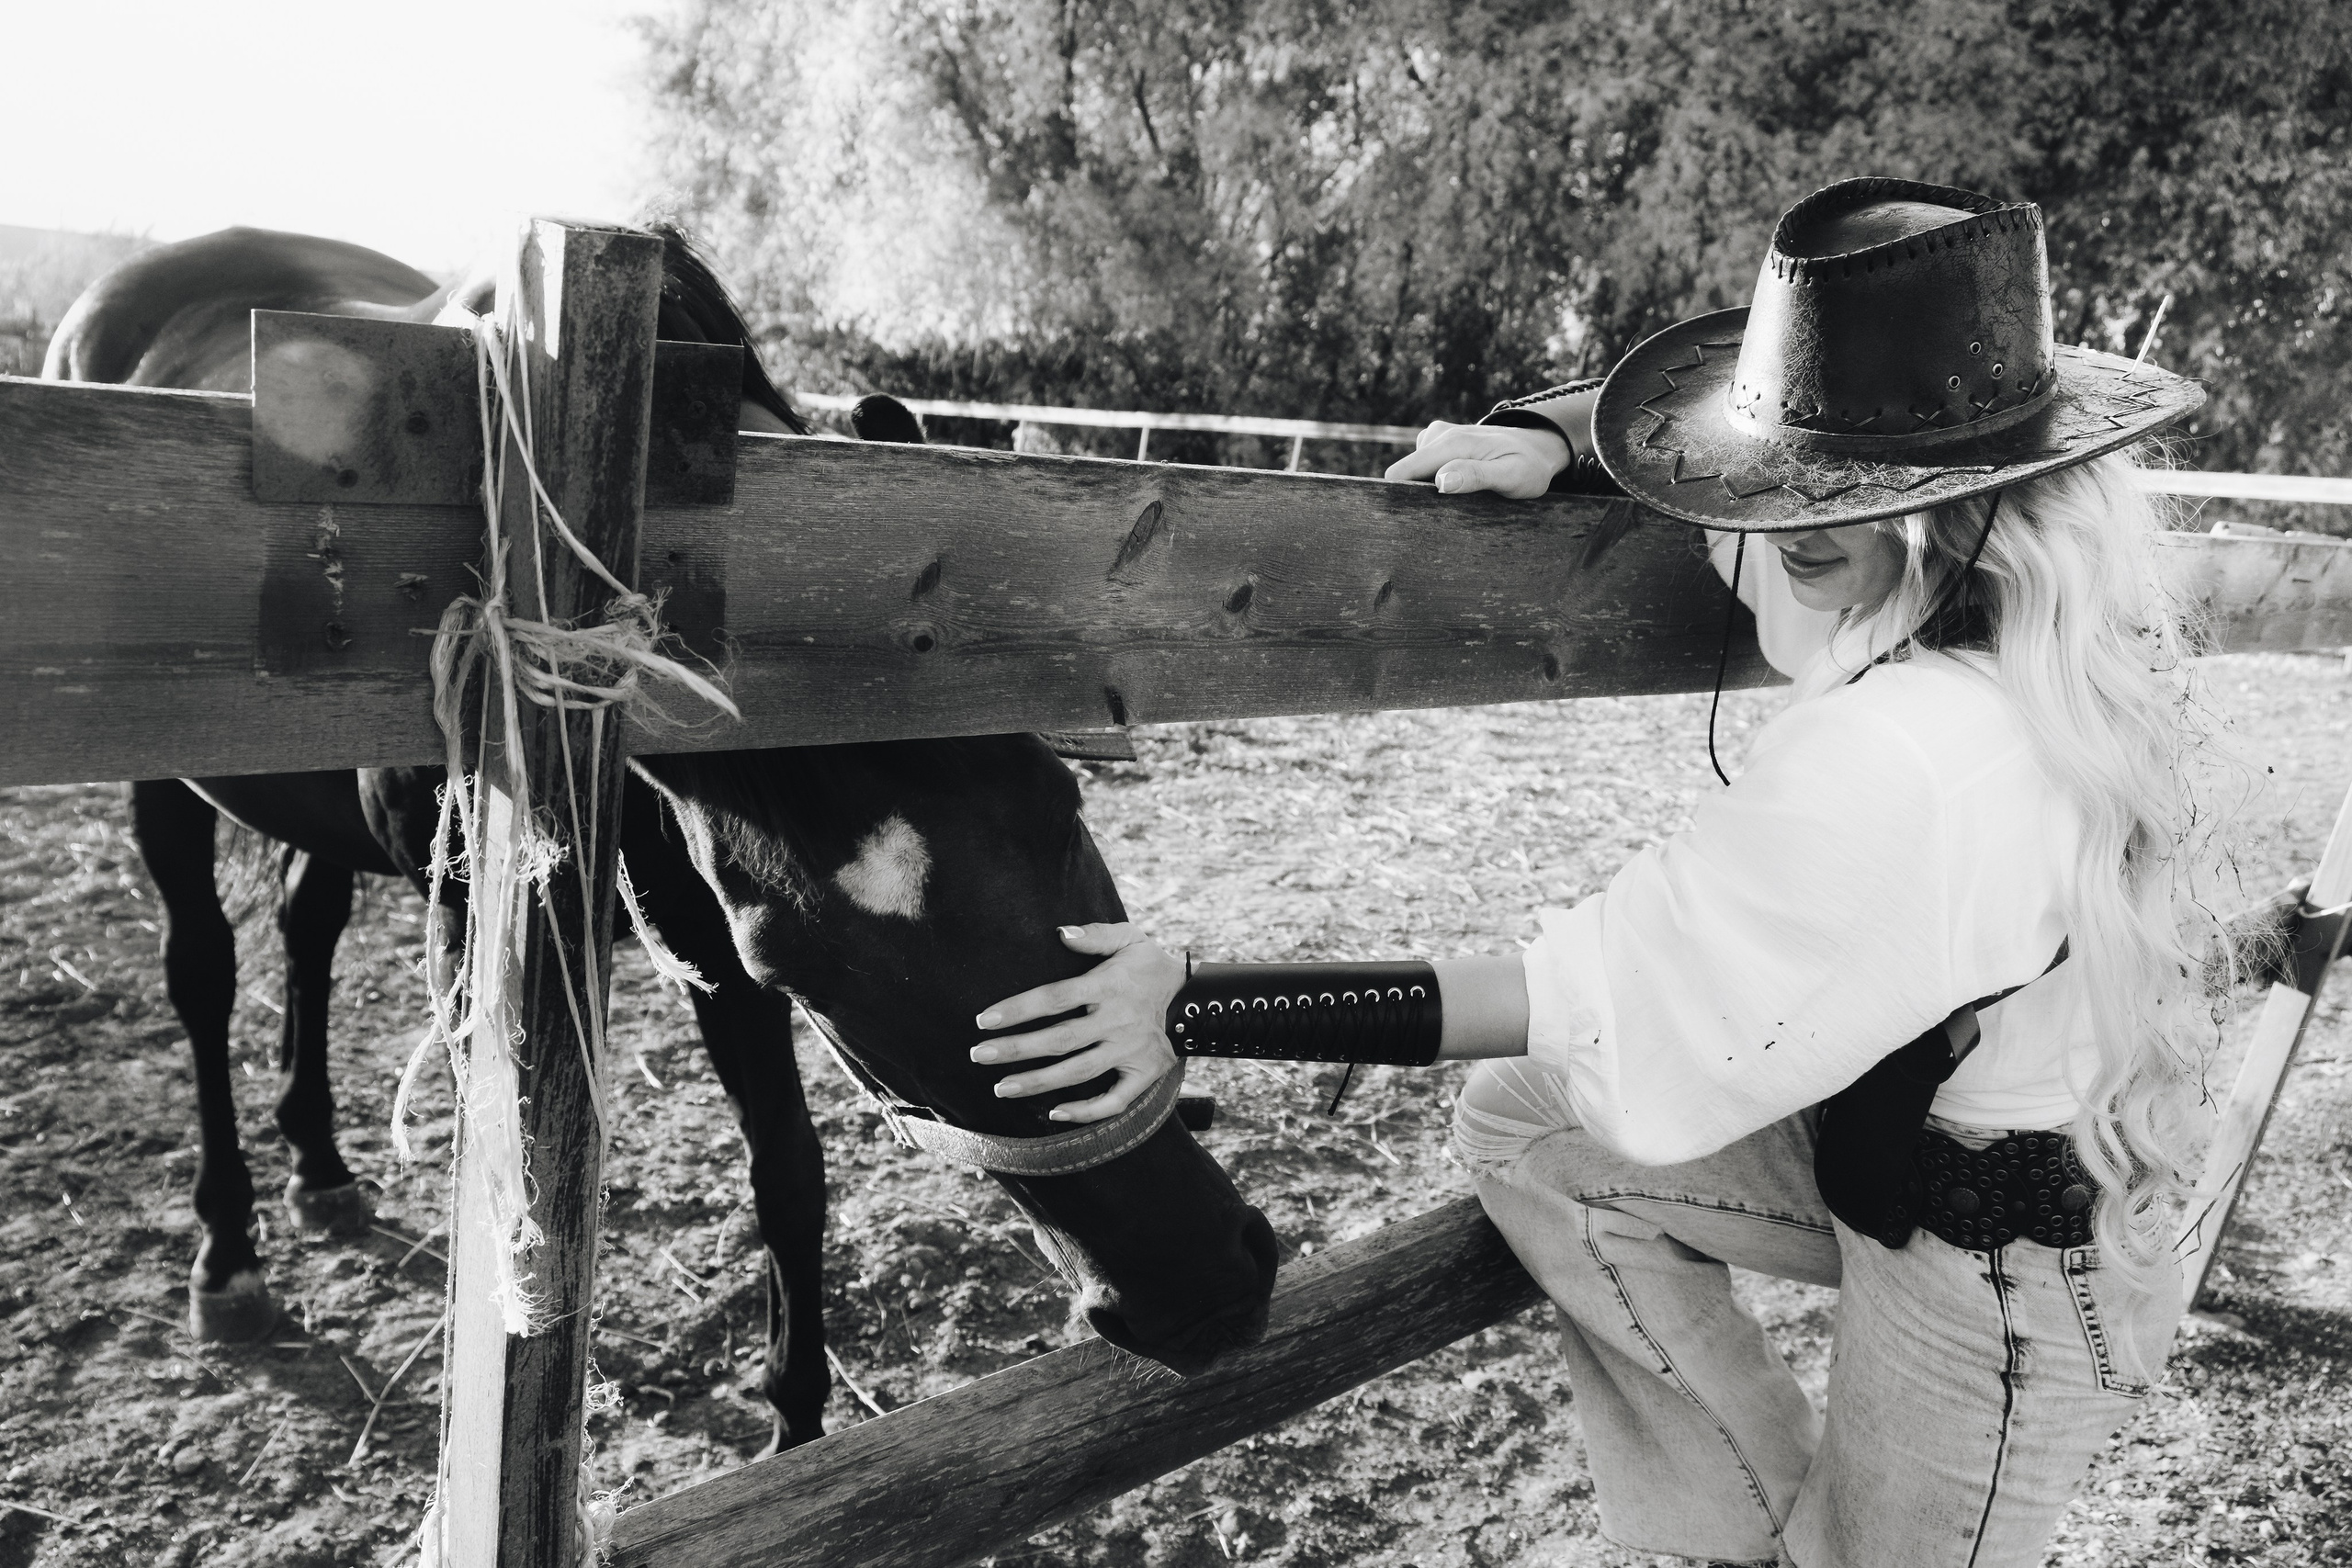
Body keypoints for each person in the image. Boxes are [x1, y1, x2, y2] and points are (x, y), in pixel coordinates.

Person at [967, 178, 2245, 1566]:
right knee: (1531, 1128)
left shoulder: (1906, 753)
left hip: (2005, 1277)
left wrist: (1193, 1003)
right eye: (1775, 469)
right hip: (1954, 1153)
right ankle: (1737, 1531)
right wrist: (1559, 438)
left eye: (1826, 489)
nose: (1765, 525)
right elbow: (1723, 420)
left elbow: (1577, 994)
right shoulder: (2030, 637)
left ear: (1955, 508)